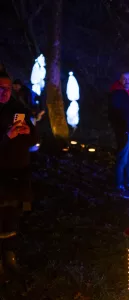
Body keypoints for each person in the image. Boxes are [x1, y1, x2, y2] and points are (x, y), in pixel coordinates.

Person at [0, 72, 38, 281]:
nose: (5, 92)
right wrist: (6, 137)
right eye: (0, 88)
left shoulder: (18, 109)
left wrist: (26, 132)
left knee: (12, 215)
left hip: (18, 172)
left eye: (8, 87)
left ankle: (9, 255)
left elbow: (34, 138)